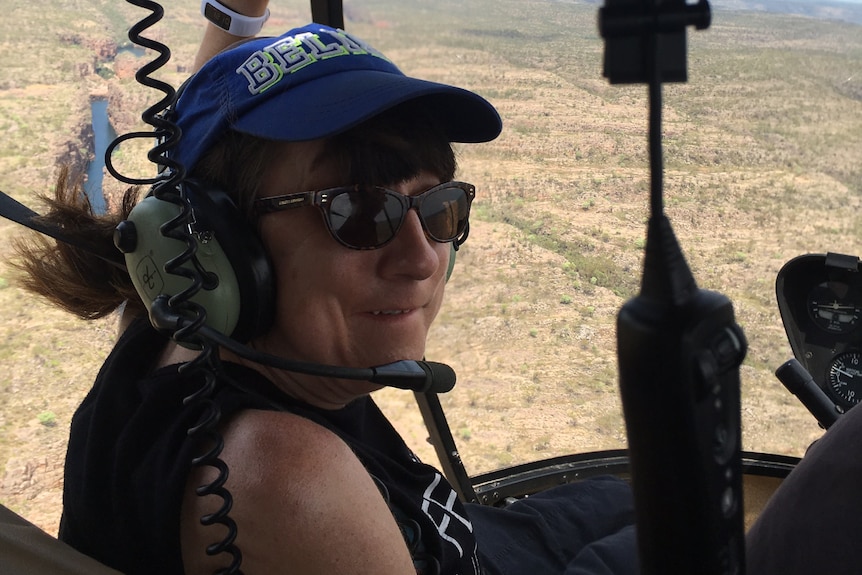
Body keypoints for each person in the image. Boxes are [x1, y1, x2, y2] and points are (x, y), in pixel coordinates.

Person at [11, 2, 640, 574]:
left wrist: (237, 15)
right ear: (231, 249)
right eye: (358, 212)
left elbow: (180, 203)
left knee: (659, 489)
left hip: (476, 535)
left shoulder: (173, 310)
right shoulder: (284, 476)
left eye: (440, 207)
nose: (422, 261)